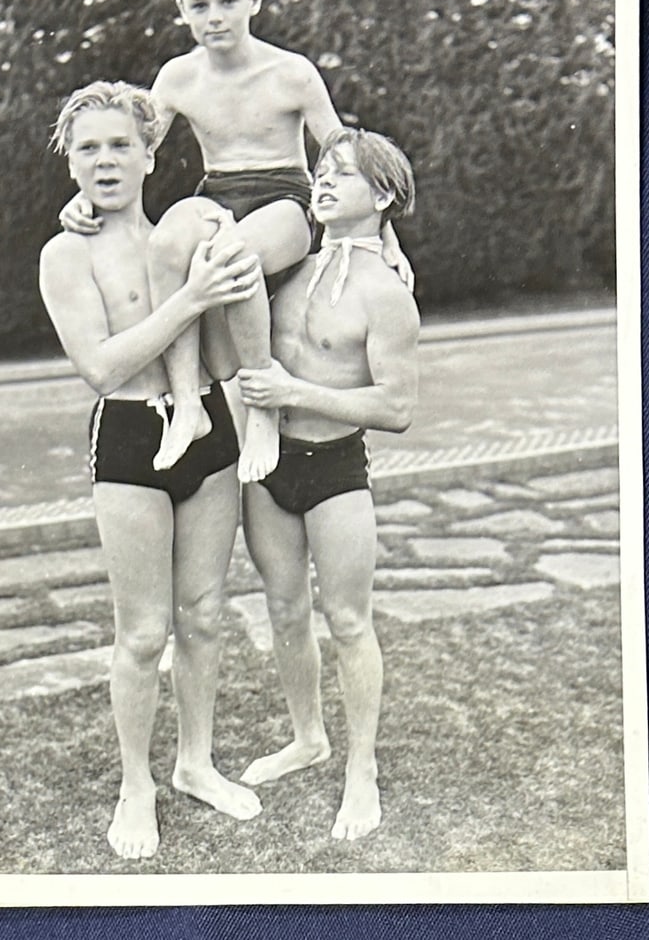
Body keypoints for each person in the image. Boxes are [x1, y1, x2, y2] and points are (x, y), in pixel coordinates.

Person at [60, 0, 414, 482]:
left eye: (227, 1)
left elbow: (346, 156)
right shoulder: (178, 77)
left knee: (233, 253)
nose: (214, 17)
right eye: (199, 6)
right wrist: (84, 194)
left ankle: (263, 406)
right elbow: (129, 146)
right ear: (181, 9)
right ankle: (189, 406)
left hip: (285, 199)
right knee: (168, 243)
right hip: (217, 189)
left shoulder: (291, 73)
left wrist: (384, 234)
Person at [39, 80, 265, 860]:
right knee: (142, 633)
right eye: (88, 148)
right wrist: (190, 299)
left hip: (208, 427)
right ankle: (135, 784)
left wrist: (219, 285)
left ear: (148, 154)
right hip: (132, 439)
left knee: (203, 614)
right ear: (70, 163)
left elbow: (227, 351)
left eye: (119, 145)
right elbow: (101, 367)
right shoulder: (65, 253)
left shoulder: (184, 236)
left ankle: (194, 763)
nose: (105, 160)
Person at [236, 127, 420, 842]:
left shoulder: (385, 294)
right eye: (321, 169)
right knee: (283, 612)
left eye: (342, 174)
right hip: (269, 464)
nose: (322, 180)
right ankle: (307, 737)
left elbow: (396, 408)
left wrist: (295, 392)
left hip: (336, 469)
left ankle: (361, 769)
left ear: (380, 196)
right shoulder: (289, 269)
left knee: (347, 622)